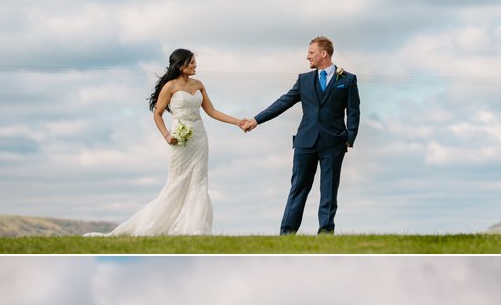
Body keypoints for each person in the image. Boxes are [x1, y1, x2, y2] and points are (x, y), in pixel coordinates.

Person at [94, 49, 244, 236]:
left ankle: (195, 228)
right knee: (177, 181)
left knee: (199, 182)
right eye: (191, 62)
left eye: (194, 62)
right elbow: (157, 113)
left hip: (199, 138)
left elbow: (212, 111)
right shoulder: (170, 87)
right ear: (181, 66)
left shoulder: (199, 85)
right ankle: (155, 225)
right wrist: (166, 136)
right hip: (179, 140)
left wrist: (238, 122)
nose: (195, 65)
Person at [239, 37, 360, 234]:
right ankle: (287, 232)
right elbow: (283, 102)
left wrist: (349, 138)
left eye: (311, 53)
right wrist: (256, 120)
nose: (307, 56)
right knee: (298, 188)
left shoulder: (347, 79)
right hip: (305, 142)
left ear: (323, 54)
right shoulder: (304, 80)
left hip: (334, 143)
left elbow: (354, 112)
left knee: (329, 190)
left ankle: (326, 231)